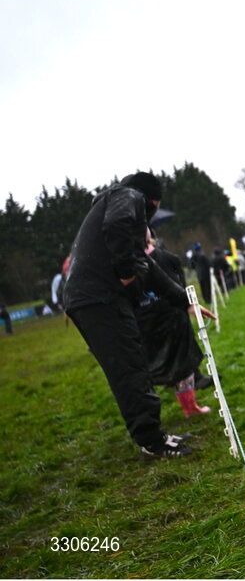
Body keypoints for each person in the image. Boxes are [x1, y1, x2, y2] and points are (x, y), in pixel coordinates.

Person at [63, 172, 194, 458]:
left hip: (95, 298)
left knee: (131, 362)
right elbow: (117, 224)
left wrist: (185, 301)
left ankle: (150, 433)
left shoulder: (119, 210)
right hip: (97, 298)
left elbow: (151, 269)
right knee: (129, 367)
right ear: (150, 199)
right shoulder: (128, 196)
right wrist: (126, 274)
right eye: (154, 207)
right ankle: (152, 440)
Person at [138, 232, 214, 418]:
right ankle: (180, 409)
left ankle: (190, 407)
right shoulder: (127, 263)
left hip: (171, 317)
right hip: (148, 321)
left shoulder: (167, 258)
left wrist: (186, 304)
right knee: (163, 367)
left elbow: (179, 285)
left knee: (183, 365)